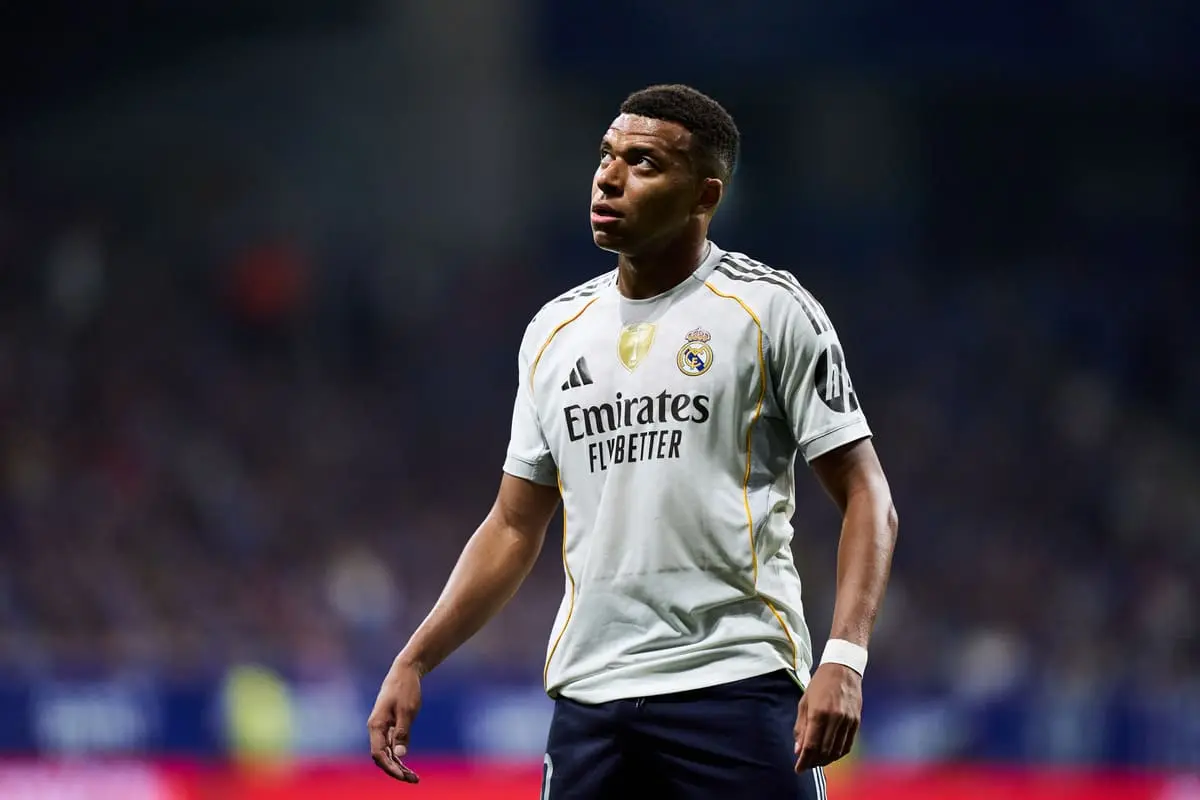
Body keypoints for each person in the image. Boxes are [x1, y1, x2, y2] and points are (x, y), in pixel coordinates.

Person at [368, 84, 899, 799]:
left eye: (643, 162)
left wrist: (845, 657)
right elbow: (513, 524)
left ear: (705, 195)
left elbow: (867, 494)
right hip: (592, 704)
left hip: (736, 686)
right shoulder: (554, 332)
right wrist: (415, 658)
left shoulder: (770, 310)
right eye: (606, 155)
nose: (609, 177)